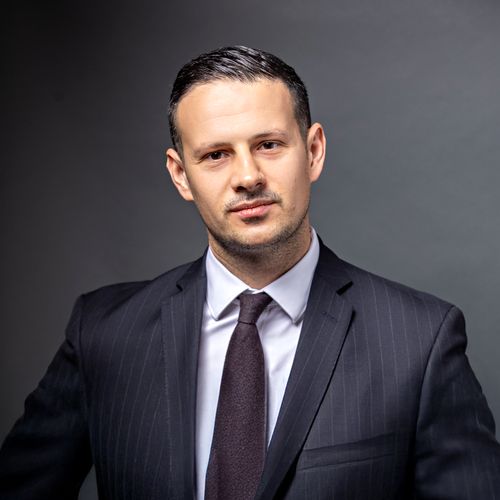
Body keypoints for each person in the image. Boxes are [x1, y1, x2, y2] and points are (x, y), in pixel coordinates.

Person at [1, 45, 499, 500]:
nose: (246, 177)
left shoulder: (419, 342)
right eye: (216, 155)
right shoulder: (103, 334)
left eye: (268, 145)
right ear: (181, 175)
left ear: (313, 151)